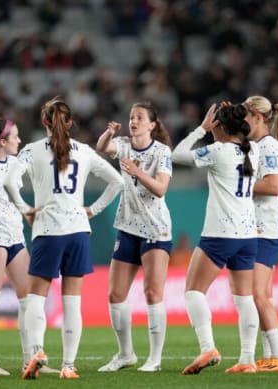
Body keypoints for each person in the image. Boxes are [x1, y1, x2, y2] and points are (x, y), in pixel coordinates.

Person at [4, 96, 124, 380]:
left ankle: (37, 352)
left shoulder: (31, 150)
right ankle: (68, 366)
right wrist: (93, 210)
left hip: (48, 229)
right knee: (72, 302)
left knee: (36, 298)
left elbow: (9, 181)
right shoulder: (83, 150)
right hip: (78, 230)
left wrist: (25, 210)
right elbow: (117, 181)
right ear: (70, 123)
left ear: (44, 122)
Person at [0, 118, 59, 376]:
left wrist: (32, 218)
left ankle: (30, 360)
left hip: (15, 236)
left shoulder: (17, 165)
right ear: (2, 141)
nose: (19, 140)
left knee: (28, 300)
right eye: (15, 137)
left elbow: (16, 200)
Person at [172, 103, 260, 374]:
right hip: (248, 234)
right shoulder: (252, 150)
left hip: (220, 233)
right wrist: (234, 111)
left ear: (219, 126)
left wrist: (201, 128)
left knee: (194, 290)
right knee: (244, 299)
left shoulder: (218, 151)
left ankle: (207, 347)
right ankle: (247, 360)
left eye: (214, 128)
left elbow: (177, 154)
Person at [95, 101, 173, 373]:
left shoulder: (162, 152)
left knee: (152, 292)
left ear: (152, 124)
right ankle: (125, 354)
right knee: (115, 294)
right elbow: (103, 148)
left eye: (139, 117)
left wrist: (138, 172)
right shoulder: (125, 145)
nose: (133, 121)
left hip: (155, 229)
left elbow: (161, 189)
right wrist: (108, 133)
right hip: (128, 226)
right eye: (131, 117)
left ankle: (155, 358)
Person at [243, 95, 278, 372]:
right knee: (262, 293)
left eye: (245, 115)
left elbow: (274, 186)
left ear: (259, 117)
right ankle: (270, 356)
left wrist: (240, 185)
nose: (241, 121)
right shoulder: (257, 146)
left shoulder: (270, 147)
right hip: (260, 226)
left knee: (258, 295)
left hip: (267, 227)